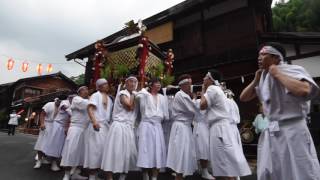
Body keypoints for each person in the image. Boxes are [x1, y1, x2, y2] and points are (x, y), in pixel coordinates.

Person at [240, 42, 320, 180]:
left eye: (264, 54)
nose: (259, 57)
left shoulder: (292, 69)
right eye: (259, 55)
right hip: (271, 130)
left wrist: (277, 73)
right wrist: (256, 79)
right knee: (271, 172)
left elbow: (304, 90)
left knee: (299, 171)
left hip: (292, 130)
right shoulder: (263, 76)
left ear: (276, 57)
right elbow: (243, 97)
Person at [200, 70, 251, 180]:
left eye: (205, 77)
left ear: (210, 79)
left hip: (219, 128)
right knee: (224, 163)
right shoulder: (218, 90)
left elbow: (202, 105)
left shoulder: (212, 89)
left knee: (223, 163)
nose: (203, 79)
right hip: (223, 127)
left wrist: (203, 91)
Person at [101, 76, 139, 180]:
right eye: (131, 81)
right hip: (118, 126)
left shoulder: (134, 94)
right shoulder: (123, 93)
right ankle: (109, 177)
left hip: (129, 127)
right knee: (113, 152)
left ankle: (122, 177)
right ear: (126, 83)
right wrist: (136, 96)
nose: (133, 84)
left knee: (127, 154)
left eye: (135, 82)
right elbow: (130, 107)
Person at [136, 78, 169, 180]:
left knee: (158, 151)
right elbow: (137, 96)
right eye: (156, 83)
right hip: (146, 126)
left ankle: (154, 177)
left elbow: (166, 115)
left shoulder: (162, 98)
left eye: (160, 83)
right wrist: (144, 90)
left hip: (158, 126)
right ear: (151, 85)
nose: (159, 85)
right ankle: (145, 174)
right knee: (145, 151)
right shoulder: (144, 95)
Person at [166, 74, 198, 180]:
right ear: (183, 85)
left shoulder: (184, 95)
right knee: (180, 154)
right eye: (189, 84)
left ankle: (180, 175)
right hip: (181, 127)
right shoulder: (180, 95)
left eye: (190, 83)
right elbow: (193, 110)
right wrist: (195, 98)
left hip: (185, 127)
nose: (190, 86)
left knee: (184, 154)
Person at [84, 79, 113, 180]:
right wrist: (94, 121)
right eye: (103, 84)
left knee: (104, 152)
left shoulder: (109, 99)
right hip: (96, 126)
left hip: (105, 127)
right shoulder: (95, 95)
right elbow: (90, 108)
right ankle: (92, 177)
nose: (106, 85)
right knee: (94, 152)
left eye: (106, 84)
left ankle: (97, 175)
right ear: (99, 87)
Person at [61, 86, 90, 180]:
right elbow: (86, 104)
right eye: (85, 90)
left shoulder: (88, 101)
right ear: (80, 91)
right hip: (76, 128)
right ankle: (66, 174)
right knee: (71, 151)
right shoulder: (76, 99)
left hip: (85, 129)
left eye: (87, 89)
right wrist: (95, 100)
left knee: (81, 153)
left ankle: (76, 173)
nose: (87, 91)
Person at [42, 95, 74, 171]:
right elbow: (67, 110)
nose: (74, 99)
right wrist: (75, 114)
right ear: (69, 97)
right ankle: (53, 163)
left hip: (65, 127)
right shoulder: (64, 102)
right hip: (57, 126)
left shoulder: (73, 104)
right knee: (55, 145)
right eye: (72, 97)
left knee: (62, 146)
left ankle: (57, 162)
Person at [34, 98, 61, 169]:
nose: (59, 102)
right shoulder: (49, 104)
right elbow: (42, 114)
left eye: (61, 101)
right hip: (47, 124)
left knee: (55, 145)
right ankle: (39, 160)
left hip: (57, 127)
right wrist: (42, 123)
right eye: (59, 100)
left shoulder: (64, 107)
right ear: (56, 100)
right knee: (41, 143)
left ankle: (54, 163)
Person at [193, 96, 215, 180]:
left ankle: (206, 169)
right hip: (202, 127)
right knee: (203, 149)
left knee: (208, 149)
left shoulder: (211, 101)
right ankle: (204, 171)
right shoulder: (198, 101)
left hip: (209, 127)